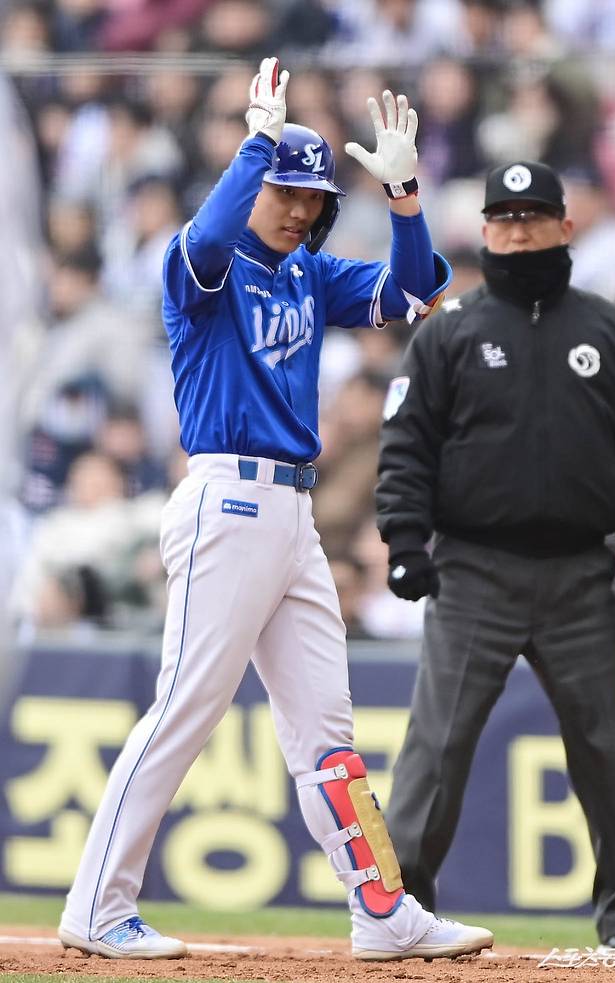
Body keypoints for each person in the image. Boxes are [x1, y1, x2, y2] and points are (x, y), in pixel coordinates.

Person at [57, 57, 493, 962]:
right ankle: (98, 904)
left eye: (311, 196)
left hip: (292, 516)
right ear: (257, 184)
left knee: (326, 728)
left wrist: (407, 195)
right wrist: (257, 144)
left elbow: (414, 293)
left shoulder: (307, 274)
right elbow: (213, 235)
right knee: (185, 707)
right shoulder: (201, 269)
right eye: (286, 192)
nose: (299, 209)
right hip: (226, 498)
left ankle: (381, 908)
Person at [376, 159, 615, 955]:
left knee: (605, 750)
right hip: (474, 572)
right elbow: (407, 445)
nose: (519, 230)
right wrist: (405, 539)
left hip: (579, 574)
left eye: (534, 216)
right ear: (486, 230)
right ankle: (400, 912)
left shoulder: (608, 330)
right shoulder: (452, 329)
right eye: (504, 218)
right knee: (437, 747)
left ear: (566, 227)